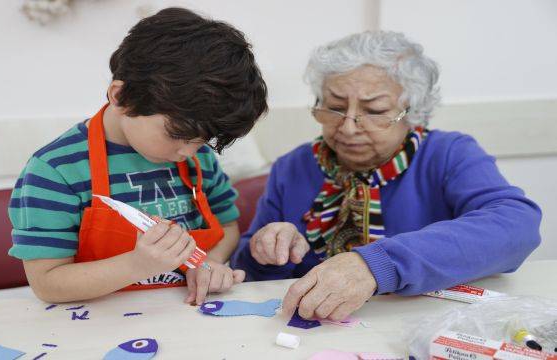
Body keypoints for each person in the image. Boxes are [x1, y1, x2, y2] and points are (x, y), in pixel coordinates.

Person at [231, 31, 541, 321]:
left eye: (375, 111)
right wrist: (265, 253)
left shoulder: (448, 154)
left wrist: (377, 265)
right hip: (311, 327)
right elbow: (247, 273)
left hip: (416, 322)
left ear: (413, 112)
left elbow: (516, 226)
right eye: (335, 107)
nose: (349, 128)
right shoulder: (292, 167)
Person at [8, 7, 268, 304]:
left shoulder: (198, 158)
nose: (187, 152)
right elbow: (48, 282)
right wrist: (137, 265)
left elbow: (227, 227)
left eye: (201, 141)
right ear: (121, 97)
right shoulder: (56, 171)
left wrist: (208, 262)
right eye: (177, 134)